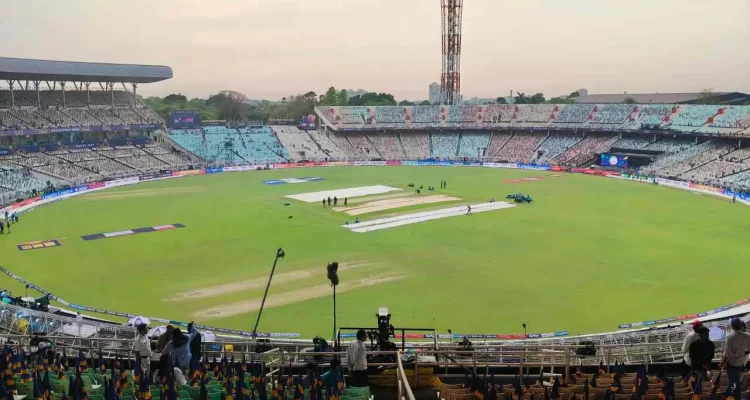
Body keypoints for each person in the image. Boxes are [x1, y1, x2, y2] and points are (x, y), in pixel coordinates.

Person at [721, 318, 750, 400]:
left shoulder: (729, 337)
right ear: (740, 325)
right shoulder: (748, 336)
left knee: (731, 383)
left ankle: (724, 395)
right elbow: (748, 350)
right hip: (741, 364)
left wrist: (723, 362)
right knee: (736, 382)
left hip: (731, 364)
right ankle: (737, 397)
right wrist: (742, 353)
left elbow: (727, 352)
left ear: (732, 327)